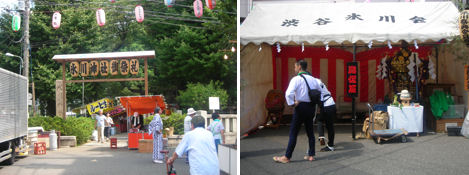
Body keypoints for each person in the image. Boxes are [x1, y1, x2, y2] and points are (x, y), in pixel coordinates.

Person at [273, 59, 321, 163]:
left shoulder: (296, 79)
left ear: (299, 67)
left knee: (293, 132)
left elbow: (288, 93)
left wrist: (292, 103)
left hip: (300, 106)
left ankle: (287, 156)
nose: (294, 69)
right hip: (311, 107)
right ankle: (311, 155)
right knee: (310, 132)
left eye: (295, 67)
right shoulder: (313, 79)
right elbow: (319, 91)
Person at [316, 79, 336, 152]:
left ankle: (322, 136)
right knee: (330, 126)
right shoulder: (318, 80)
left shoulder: (311, 83)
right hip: (331, 103)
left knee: (320, 120)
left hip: (326, 105)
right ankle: (330, 144)